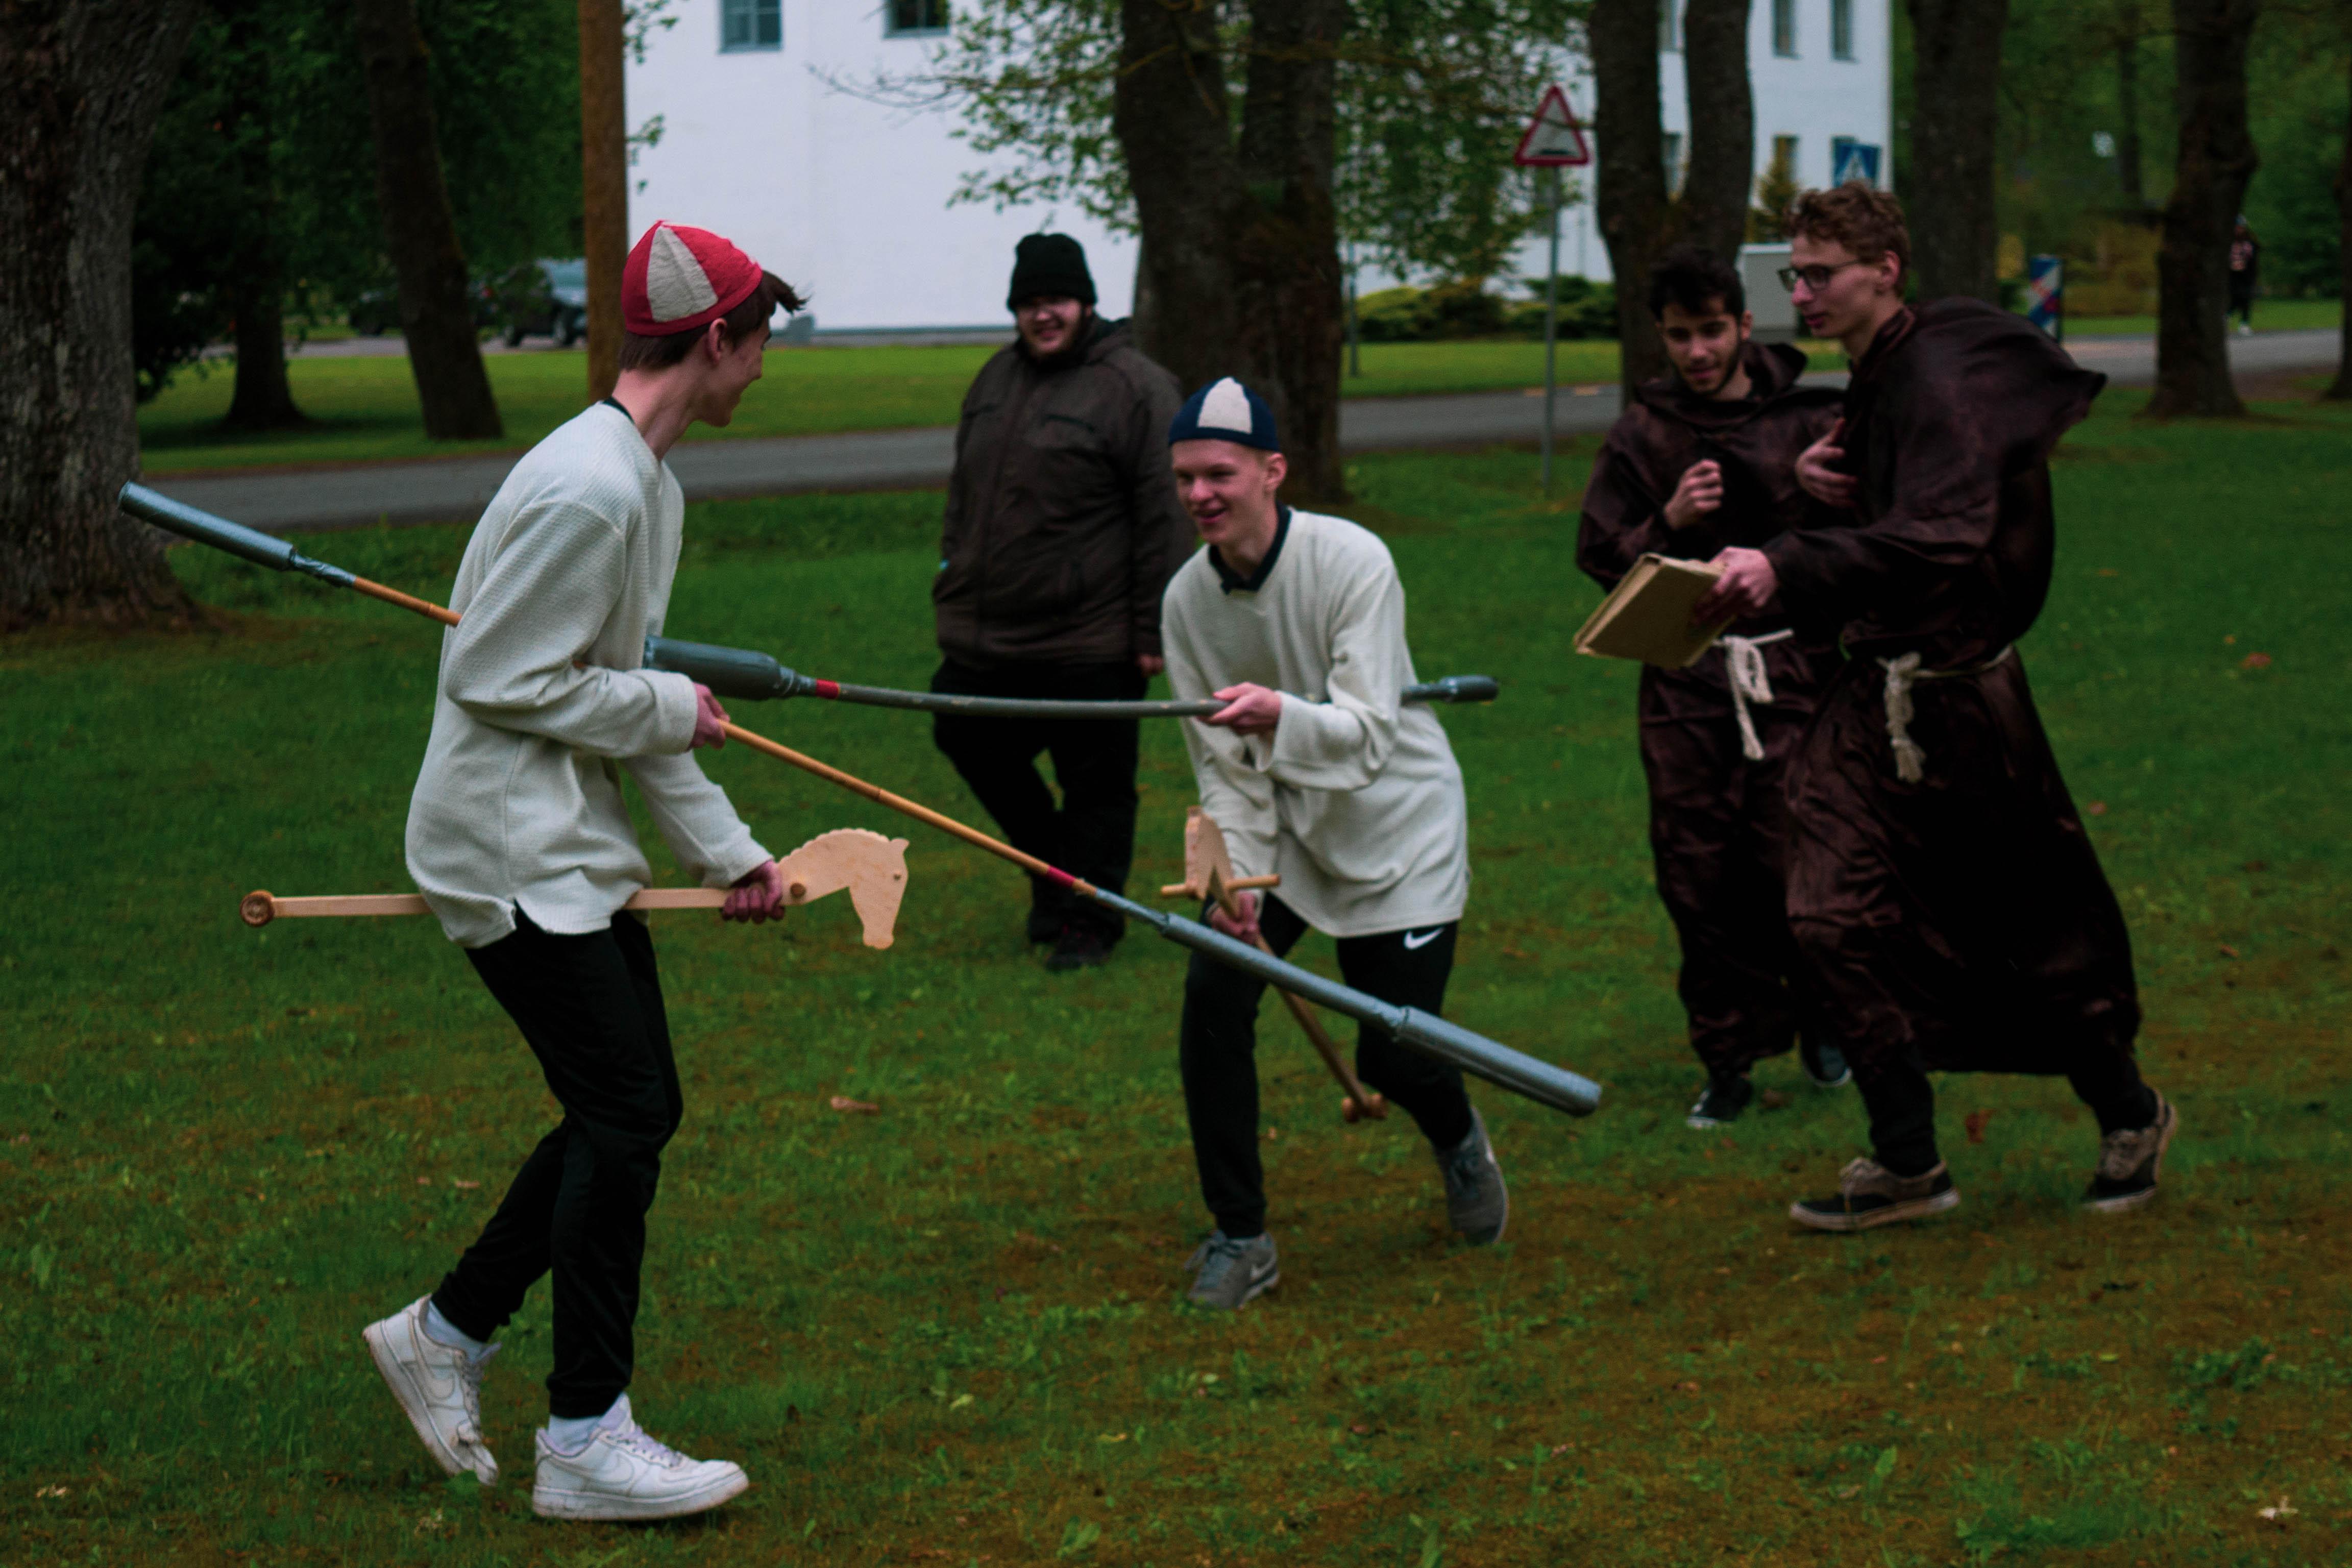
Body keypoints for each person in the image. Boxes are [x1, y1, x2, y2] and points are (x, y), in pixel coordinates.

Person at [369, 221, 799, 1520]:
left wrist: (730, 851)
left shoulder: (646, 486)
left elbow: (623, 696)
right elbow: (495, 674)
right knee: (622, 1116)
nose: (766, 362)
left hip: (567, 845)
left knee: (631, 1110)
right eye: (760, 337)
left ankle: (445, 1332)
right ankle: (583, 1438)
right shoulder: (590, 488)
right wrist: (666, 703)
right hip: (505, 852)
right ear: (714, 338)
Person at [1697, 184, 2175, 1231]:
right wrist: (1824, 486)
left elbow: (1942, 539)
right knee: (1824, 916)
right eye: (1794, 275)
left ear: (1885, 271)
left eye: (1821, 275)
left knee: (2032, 929)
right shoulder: (1879, 373)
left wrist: (1787, 560)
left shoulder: (1941, 374)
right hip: (1871, 696)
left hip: (1961, 706)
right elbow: (1898, 518)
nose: (1801, 294)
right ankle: (1907, 1159)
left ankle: (2129, 1114)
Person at [1158, 377, 1508, 1310]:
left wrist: (1279, 712)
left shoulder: (1352, 560)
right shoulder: (1186, 600)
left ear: (1273, 471)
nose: (1200, 495)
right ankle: (1241, 1235)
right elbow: (1222, 765)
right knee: (1212, 994)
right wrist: (1236, 878)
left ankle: (1459, 1140)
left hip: (1400, 831)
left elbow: (1367, 734)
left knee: (1393, 1053)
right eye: (1186, 478)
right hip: (1286, 838)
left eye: (1220, 474)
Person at [1576, 244, 1853, 1131]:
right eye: (1678, 336)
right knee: (1696, 873)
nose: (1696, 352)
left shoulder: (1811, 417)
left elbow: (1862, 536)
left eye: (1710, 331)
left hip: (1792, 675)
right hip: (1683, 682)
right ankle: (1727, 1058)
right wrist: (1668, 520)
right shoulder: (1643, 435)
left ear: (1743, 324)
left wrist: (1812, 494)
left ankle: (1822, 1018)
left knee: (1794, 860)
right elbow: (1599, 556)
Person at [929, 233, 1195, 972]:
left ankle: (1091, 921)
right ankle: (1054, 872)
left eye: (1057, 300)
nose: (1043, 314)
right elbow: (964, 493)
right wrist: (952, 568)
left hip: (1092, 635)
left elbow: (1165, 513)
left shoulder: (1137, 387)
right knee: (963, 733)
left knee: (1096, 786)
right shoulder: (995, 379)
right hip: (989, 633)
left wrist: (1151, 629)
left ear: (1085, 303)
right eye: (1030, 303)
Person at [2228, 219, 2259, 336]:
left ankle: (2244, 323)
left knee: (2245, 298)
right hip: (2232, 276)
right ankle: (2227, 316)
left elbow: (2253, 261)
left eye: (2241, 228)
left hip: (2246, 276)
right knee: (2235, 298)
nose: (2239, 230)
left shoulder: (2249, 244)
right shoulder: (2230, 242)